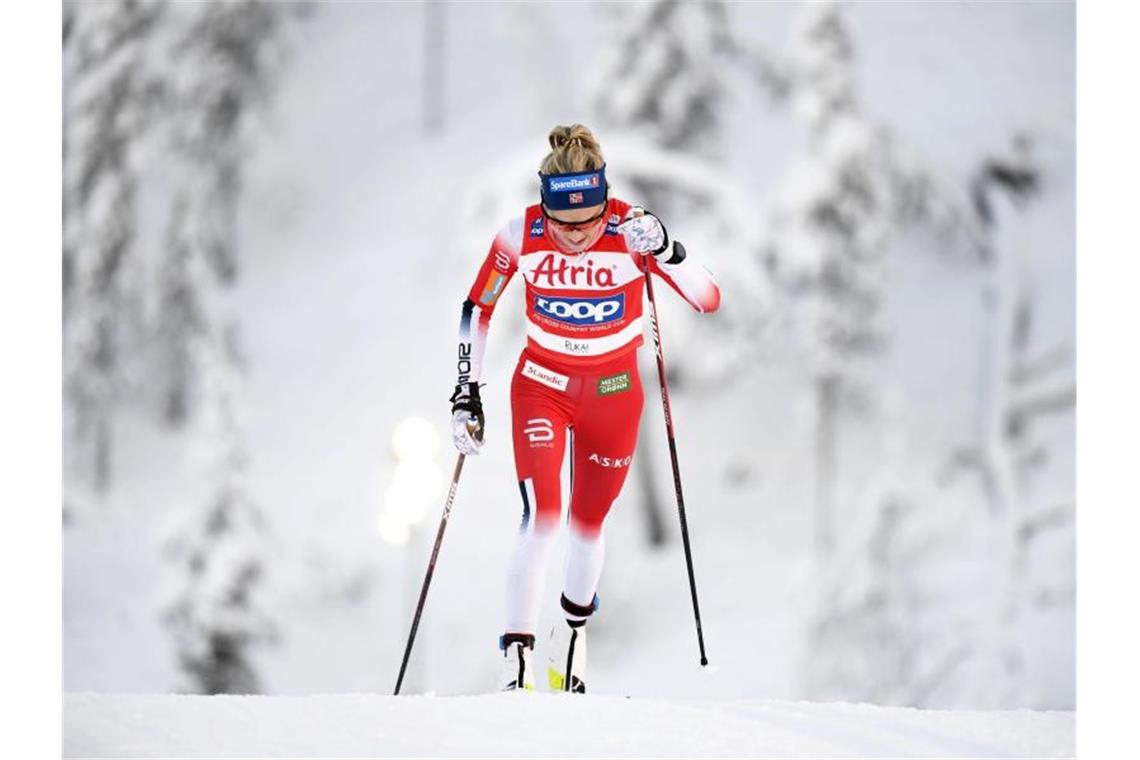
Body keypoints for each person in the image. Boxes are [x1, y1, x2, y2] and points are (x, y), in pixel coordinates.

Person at [449, 124, 721, 693]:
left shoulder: (632, 230)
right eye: (562, 224)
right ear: (544, 206)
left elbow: (706, 297)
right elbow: (478, 308)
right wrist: (466, 390)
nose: (575, 237)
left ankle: (570, 638)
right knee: (543, 515)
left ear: (605, 203)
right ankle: (516, 658)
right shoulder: (519, 234)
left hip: (614, 392)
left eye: (588, 222)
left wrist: (668, 249)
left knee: (587, 524)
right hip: (542, 385)